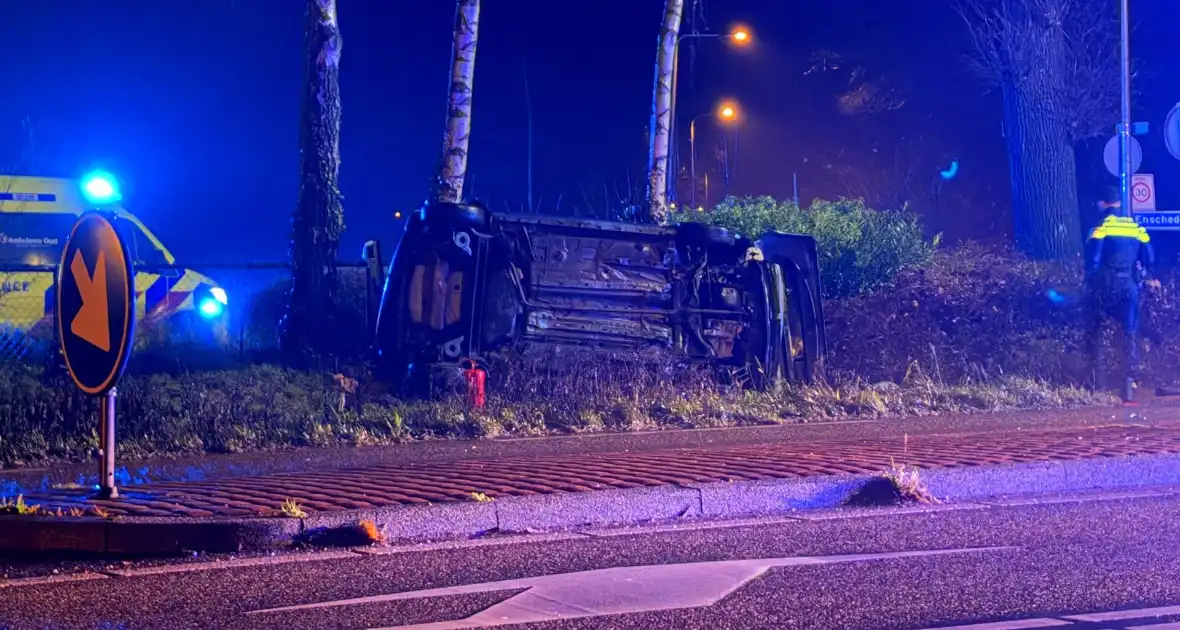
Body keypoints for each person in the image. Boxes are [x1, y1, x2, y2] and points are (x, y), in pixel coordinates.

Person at [1085, 186, 1156, 402]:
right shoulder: (1135, 227)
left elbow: (1094, 260)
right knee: (1128, 333)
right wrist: (1141, 275)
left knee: (1094, 328)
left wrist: (1091, 282)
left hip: (1106, 284)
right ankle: (1127, 387)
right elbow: (1150, 258)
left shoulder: (1102, 227)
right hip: (1129, 286)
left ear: (1104, 204)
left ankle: (1096, 384)